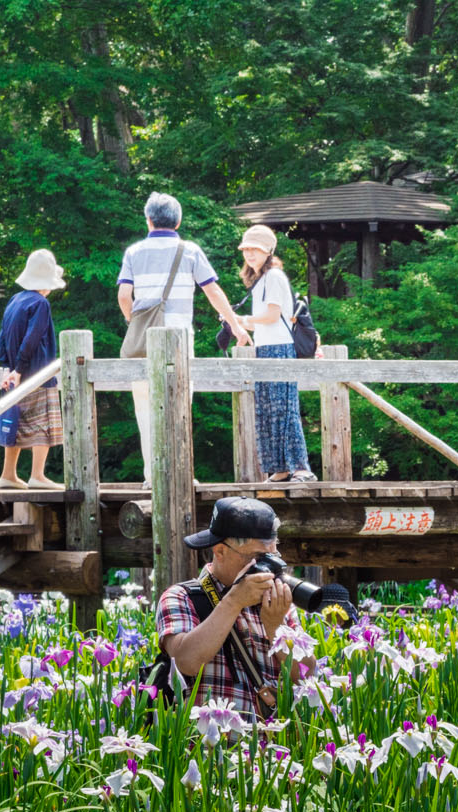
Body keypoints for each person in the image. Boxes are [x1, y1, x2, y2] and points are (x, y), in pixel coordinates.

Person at [117, 192, 253, 463]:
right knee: (179, 405)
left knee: (145, 407)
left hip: (145, 340)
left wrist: (134, 322)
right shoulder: (190, 250)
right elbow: (212, 291)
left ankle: (150, 475)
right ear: (177, 222)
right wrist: (235, 325)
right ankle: (180, 468)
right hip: (179, 339)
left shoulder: (134, 252)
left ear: (149, 221)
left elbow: (123, 295)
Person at [154, 498, 295, 715]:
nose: (266, 567)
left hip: (272, 745)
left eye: (272, 556)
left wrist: (276, 628)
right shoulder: (181, 596)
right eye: (257, 557)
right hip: (207, 745)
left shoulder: (276, 602)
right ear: (220, 551)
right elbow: (185, 662)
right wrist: (234, 601)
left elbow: (306, 674)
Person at [235, 225, 317, 482]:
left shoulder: (273, 277)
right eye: (247, 249)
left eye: (255, 250)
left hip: (281, 348)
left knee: (285, 408)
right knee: (267, 409)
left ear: (268, 251)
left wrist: (239, 320)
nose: (250, 254)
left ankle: (301, 467)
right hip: (265, 348)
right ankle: (280, 468)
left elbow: (271, 317)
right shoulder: (261, 279)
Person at [0, 250, 67, 488]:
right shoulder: (40, 303)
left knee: (14, 422)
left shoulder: (14, 300)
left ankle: (8, 474)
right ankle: (37, 475)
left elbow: (2, 338)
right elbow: (32, 339)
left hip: (15, 376)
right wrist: (21, 367)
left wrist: (8, 368)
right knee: (43, 425)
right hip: (37, 374)